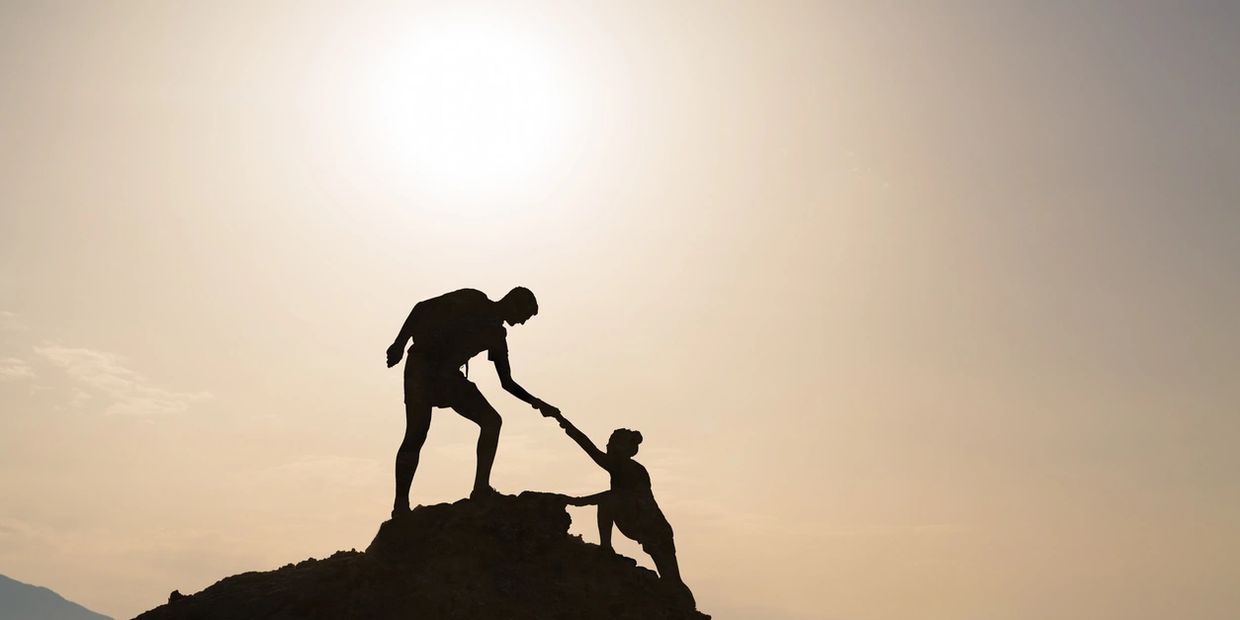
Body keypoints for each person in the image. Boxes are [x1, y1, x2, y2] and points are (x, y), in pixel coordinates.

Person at [385, 287, 559, 516]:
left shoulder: (496, 336)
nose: (522, 323)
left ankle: (480, 489)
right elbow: (421, 308)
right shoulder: (472, 299)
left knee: (491, 421)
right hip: (422, 367)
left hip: (449, 376)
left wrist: (537, 403)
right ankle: (400, 504)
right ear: (513, 303)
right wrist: (399, 343)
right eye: (524, 316)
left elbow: (506, 382)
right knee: (416, 434)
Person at [554, 413, 697, 607]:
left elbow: (611, 492)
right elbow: (590, 448)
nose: (607, 446)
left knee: (672, 580)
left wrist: (577, 501)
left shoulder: (629, 468)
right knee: (671, 580)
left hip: (652, 528)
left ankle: (684, 607)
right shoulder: (622, 466)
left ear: (623, 449)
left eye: (612, 442)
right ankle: (606, 547)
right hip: (641, 521)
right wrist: (562, 422)